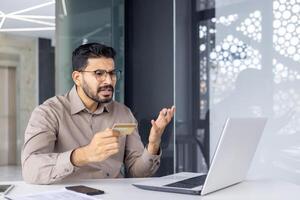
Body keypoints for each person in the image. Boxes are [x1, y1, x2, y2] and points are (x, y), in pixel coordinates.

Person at [21, 43, 175, 184]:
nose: (108, 81)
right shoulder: (49, 112)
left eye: (112, 73)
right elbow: (30, 169)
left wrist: (154, 143)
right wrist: (83, 155)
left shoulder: (123, 113)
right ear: (77, 78)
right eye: (99, 73)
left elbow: (138, 173)